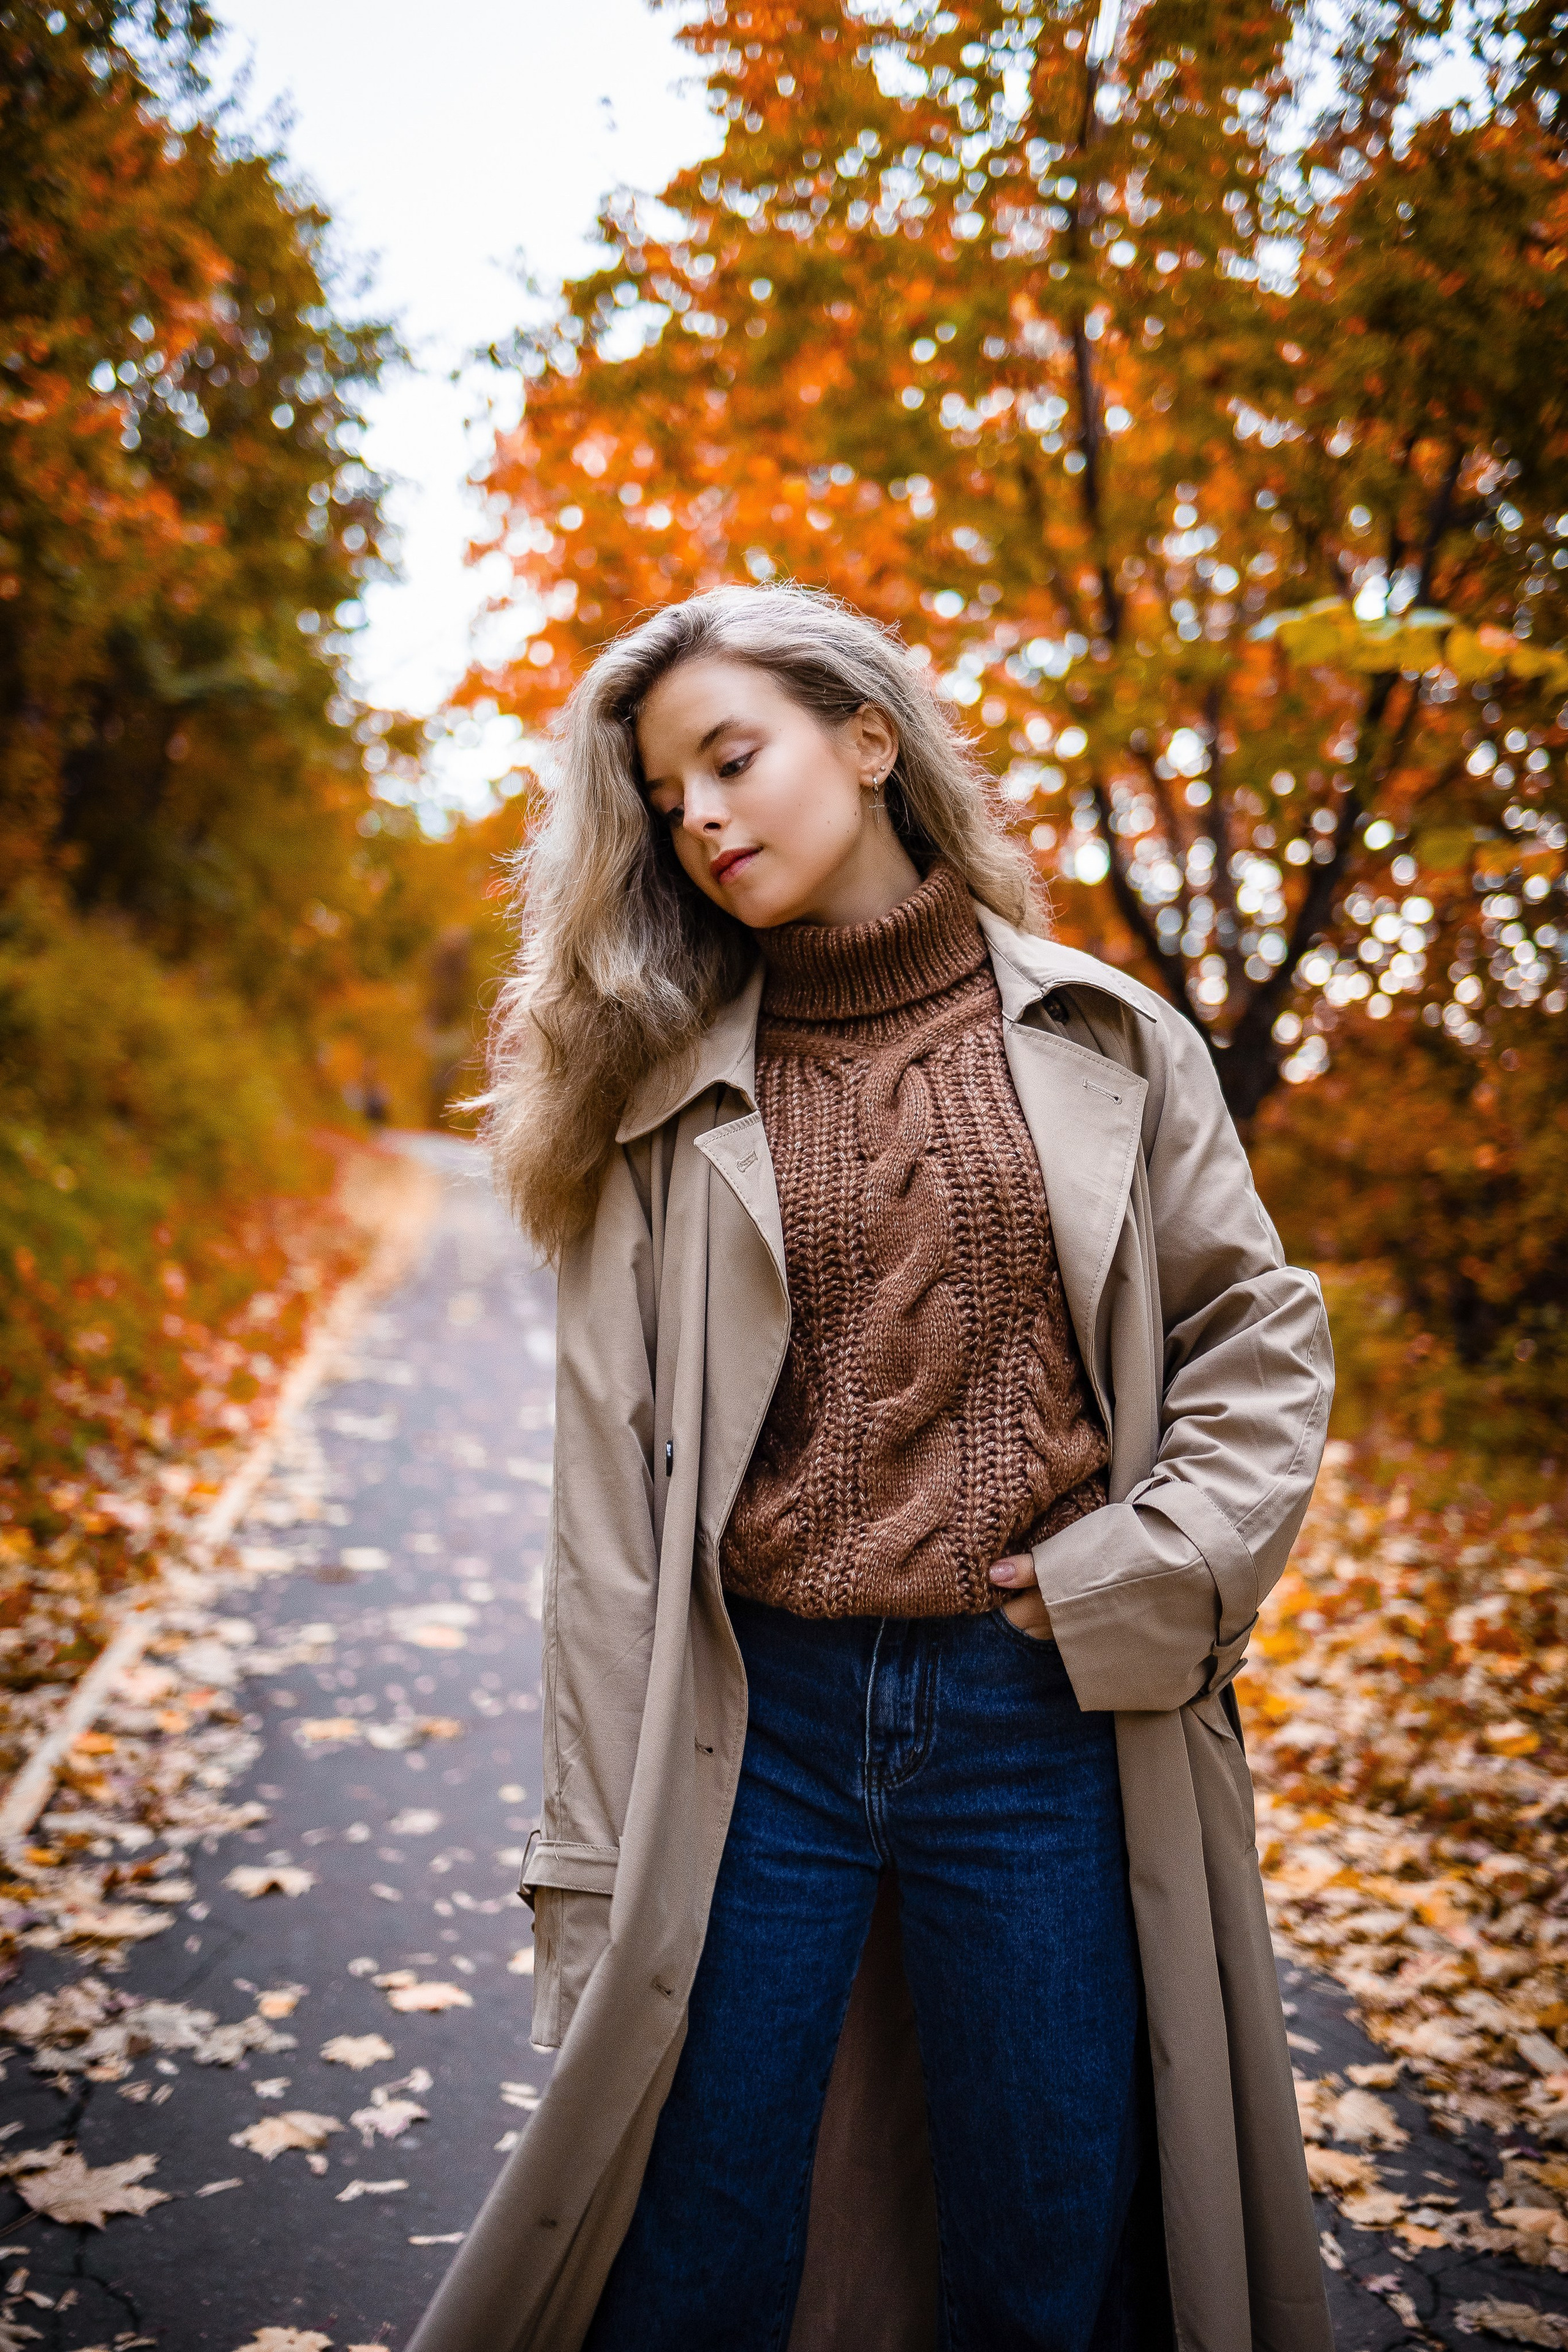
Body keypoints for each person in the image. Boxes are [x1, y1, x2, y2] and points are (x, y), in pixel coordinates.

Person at [409, 585, 1335, 2352]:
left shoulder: (1110, 1042)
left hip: (1040, 1726)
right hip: (761, 1736)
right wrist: (592, 1852)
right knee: (695, 2242)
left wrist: (1136, 1575)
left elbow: (1260, 1344)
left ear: (870, 738)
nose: (700, 816)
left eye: (731, 757)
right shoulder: (661, 1099)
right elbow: (605, 1515)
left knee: (1048, 2244)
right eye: (668, 794)